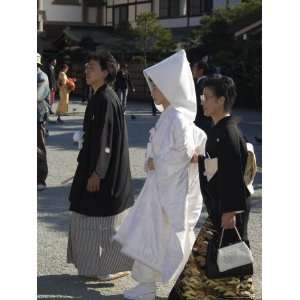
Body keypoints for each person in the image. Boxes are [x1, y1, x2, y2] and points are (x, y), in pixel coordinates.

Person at [114, 50, 207, 300]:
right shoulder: (170, 115)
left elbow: (185, 152)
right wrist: (152, 160)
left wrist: (158, 162)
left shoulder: (176, 116)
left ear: (168, 89)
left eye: (156, 86)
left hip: (167, 190)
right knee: (148, 233)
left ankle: (147, 286)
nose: (152, 91)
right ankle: (145, 285)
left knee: (154, 234)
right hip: (159, 187)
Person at [168, 76, 255, 300]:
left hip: (228, 210)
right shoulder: (219, 130)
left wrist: (230, 212)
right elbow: (218, 165)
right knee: (213, 258)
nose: (202, 101)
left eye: (207, 97)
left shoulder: (228, 133)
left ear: (220, 100)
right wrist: (201, 159)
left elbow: (233, 175)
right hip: (221, 208)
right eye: (202, 96)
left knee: (226, 259)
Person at [67, 52, 134, 281]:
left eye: (92, 67)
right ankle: (93, 266)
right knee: (86, 214)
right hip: (93, 164)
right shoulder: (99, 96)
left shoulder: (106, 98)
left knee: (105, 222)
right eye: (86, 66)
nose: (87, 70)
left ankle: (107, 268)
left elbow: (106, 142)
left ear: (105, 72)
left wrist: (97, 172)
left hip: (103, 171)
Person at [37, 53, 50, 191]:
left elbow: (38, 95)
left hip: (37, 117)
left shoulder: (42, 77)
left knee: (38, 148)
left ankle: (40, 179)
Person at [192, 61, 213, 133]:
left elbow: (203, 101)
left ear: (201, 71)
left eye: (194, 68)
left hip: (202, 119)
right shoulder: (202, 82)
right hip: (202, 118)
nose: (192, 71)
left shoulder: (203, 84)